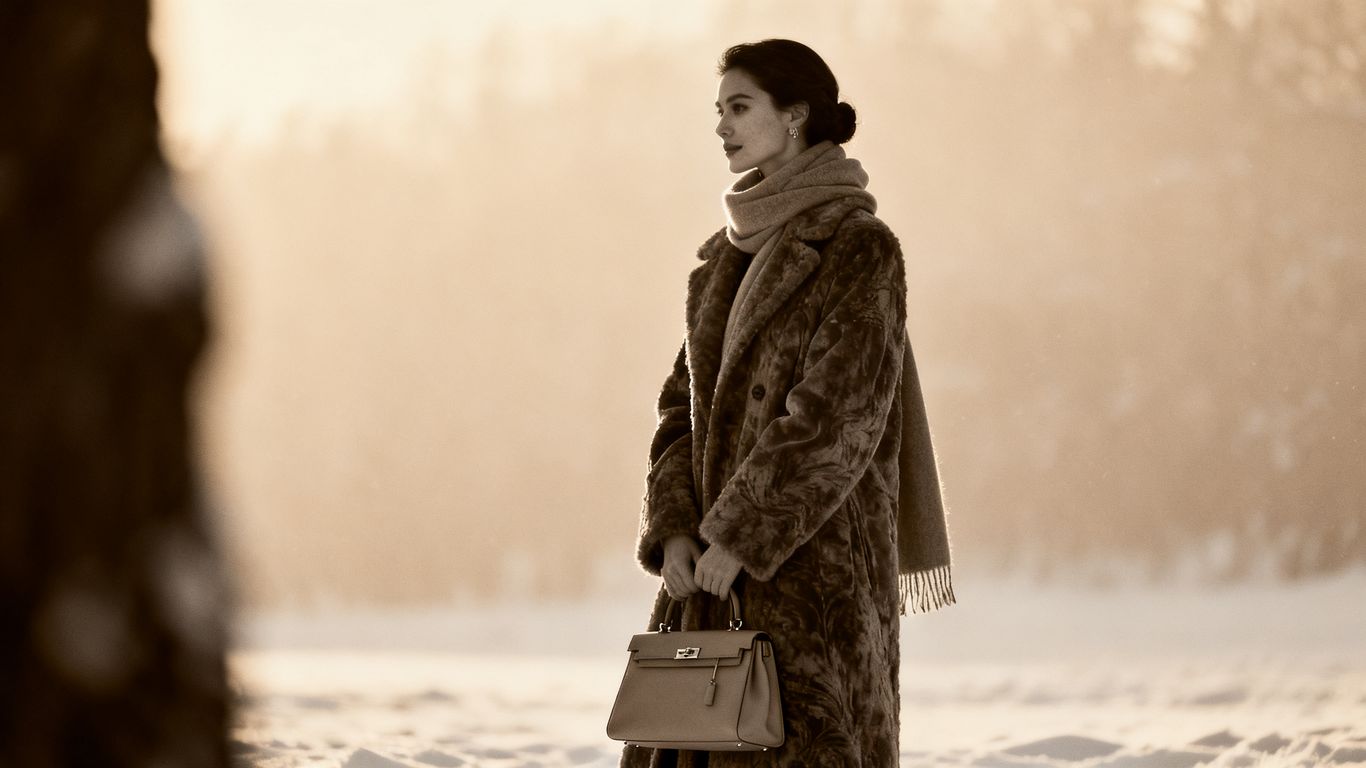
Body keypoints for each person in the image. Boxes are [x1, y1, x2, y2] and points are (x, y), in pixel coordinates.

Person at [625, 39, 954, 768]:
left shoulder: (859, 249)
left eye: (739, 108)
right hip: (710, 577)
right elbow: (681, 411)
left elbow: (838, 419)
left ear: (796, 114)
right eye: (718, 110)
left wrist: (742, 532)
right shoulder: (721, 262)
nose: (721, 127)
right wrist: (677, 530)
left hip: (812, 583)